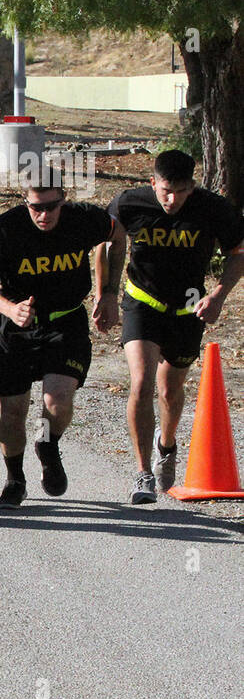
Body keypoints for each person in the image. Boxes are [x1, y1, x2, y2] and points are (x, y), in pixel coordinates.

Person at [102, 149, 244, 504]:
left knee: (170, 390)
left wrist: (218, 296)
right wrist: (105, 294)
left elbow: (238, 252)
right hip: (142, 302)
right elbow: (109, 243)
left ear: (191, 187)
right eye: (165, 190)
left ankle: (166, 445)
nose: (171, 199)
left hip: (187, 309)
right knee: (141, 382)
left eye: (180, 191)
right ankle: (142, 473)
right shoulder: (130, 203)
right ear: (153, 183)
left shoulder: (213, 208)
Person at [0, 181, 124, 508]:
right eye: (34, 207)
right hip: (16, 327)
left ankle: (47, 443)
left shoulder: (83, 219)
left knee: (57, 400)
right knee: (12, 413)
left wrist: (109, 292)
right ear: (25, 202)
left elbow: (117, 234)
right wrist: (9, 309)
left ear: (63, 201)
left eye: (50, 207)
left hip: (65, 321)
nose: (42, 215)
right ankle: (15, 479)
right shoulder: (6, 228)